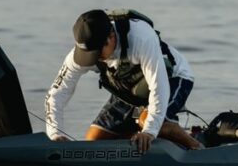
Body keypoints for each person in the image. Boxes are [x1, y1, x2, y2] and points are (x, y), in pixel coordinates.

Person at [44, 9, 202, 153]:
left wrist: (149, 131)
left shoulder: (141, 37)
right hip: (131, 90)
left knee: (148, 121)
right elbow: (56, 94)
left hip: (172, 78)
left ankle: (195, 146)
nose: (93, 59)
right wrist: (55, 135)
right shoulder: (79, 55)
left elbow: (159, 87)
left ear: (111, 37)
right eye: (88, 54)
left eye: (97, 53)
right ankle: (141, 140)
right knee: (95, 140)